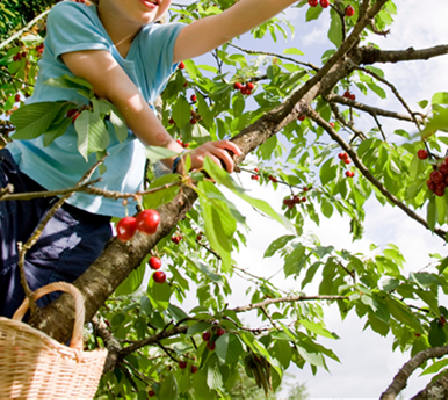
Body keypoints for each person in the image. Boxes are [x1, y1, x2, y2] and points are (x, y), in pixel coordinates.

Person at [0, 0, 297, 318]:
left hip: (84, 220)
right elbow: (119, 90)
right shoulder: (71, 16)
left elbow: (228, 23)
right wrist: (176, 156)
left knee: (17, 319)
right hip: (18, 180)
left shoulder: (157, 45)